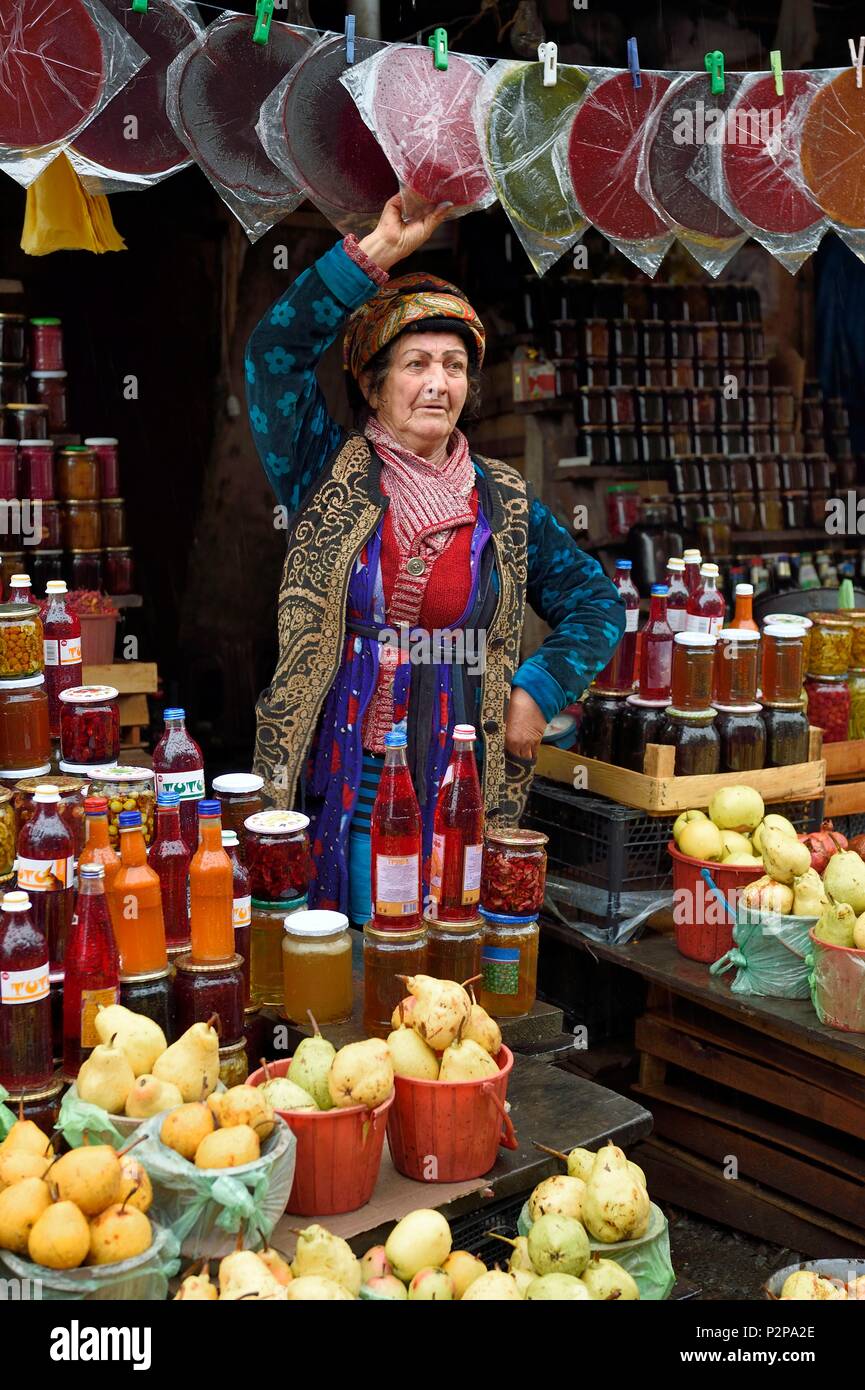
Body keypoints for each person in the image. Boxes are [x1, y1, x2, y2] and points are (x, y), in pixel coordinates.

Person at [245, 195, 625, 922]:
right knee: (345, 940)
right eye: (415, 362)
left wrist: (536, 690)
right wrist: (377, 249)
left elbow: (597, 603)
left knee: (443, 954)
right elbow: (273, 355)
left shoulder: (504, 504)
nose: (437, 382)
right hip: (343, 771)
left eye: (453, 365)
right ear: (372, 383)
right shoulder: (326, 471)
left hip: (458, 781)